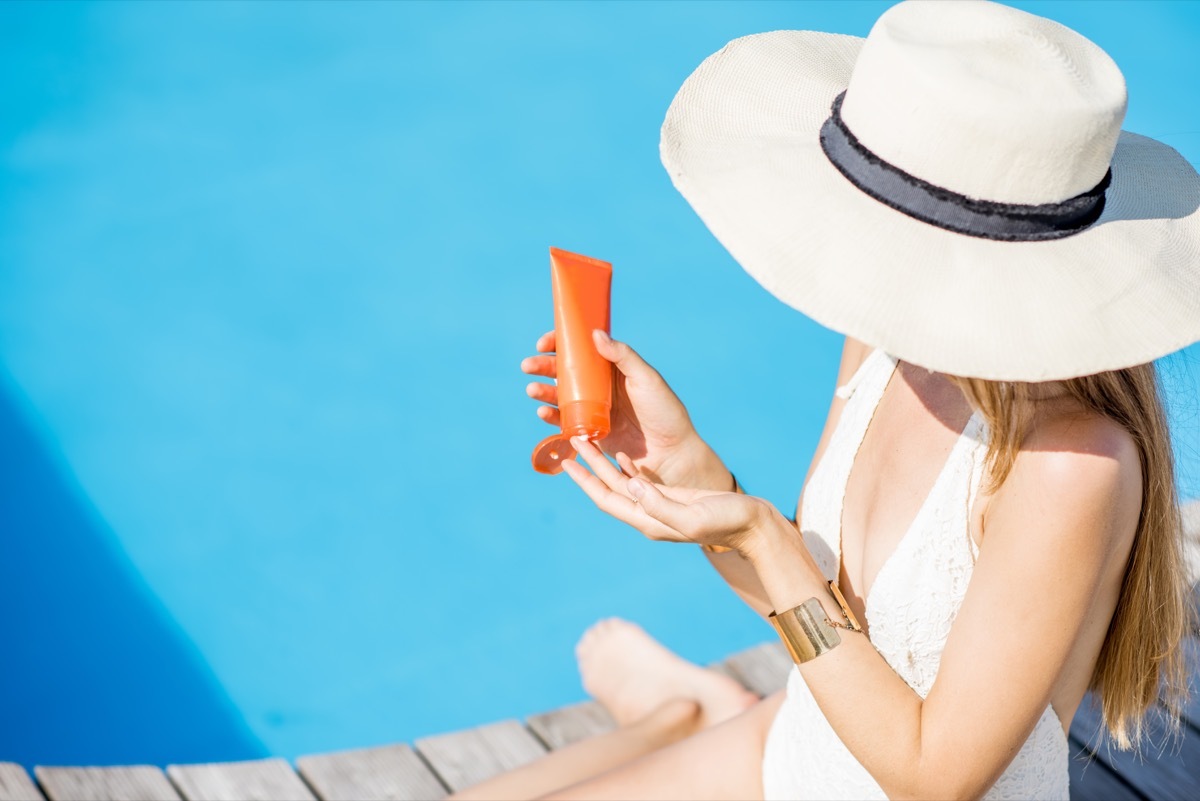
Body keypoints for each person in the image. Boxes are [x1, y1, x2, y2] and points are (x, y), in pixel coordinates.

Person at [469, 2, 1200, 798]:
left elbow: (936, 777)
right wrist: (687, 465)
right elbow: (823, 610)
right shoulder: (888, 342)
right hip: (797, 749)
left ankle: (685, 710)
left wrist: (762, 537)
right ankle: (686, 710)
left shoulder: (1067, 464)